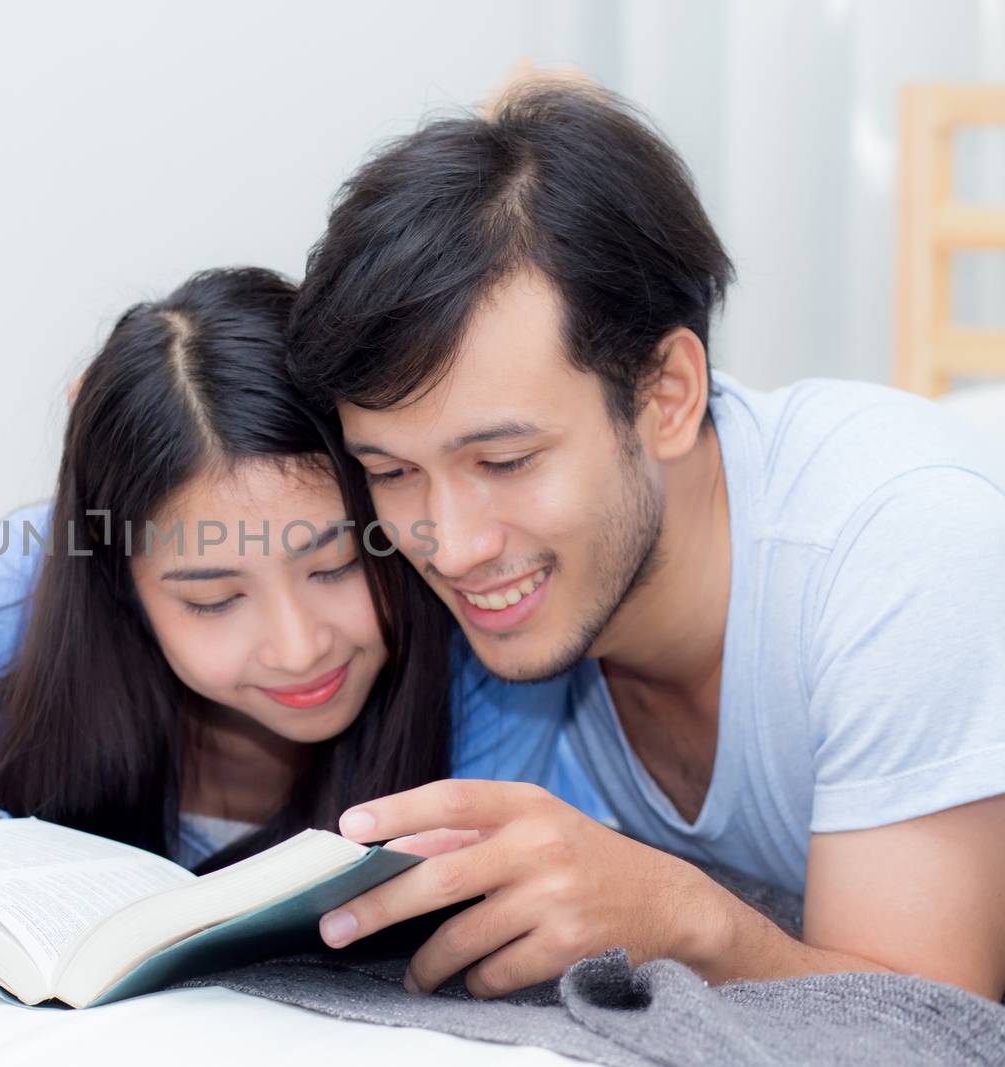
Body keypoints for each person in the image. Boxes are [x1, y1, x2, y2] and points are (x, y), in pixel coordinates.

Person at [0, 267, 611, 1025]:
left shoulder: (466, 620)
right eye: (213, 596)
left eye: (336, 564)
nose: (301, 645)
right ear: (120, 591)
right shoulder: (26, 585)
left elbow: (494, 900)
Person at [286, 78, 1005, 1001]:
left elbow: (937, 1025)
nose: (452, 547)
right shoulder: (461, 600)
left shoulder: (901, 544)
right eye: (390, 471)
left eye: (505, 460)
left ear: (667, 396)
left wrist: (684, 914)